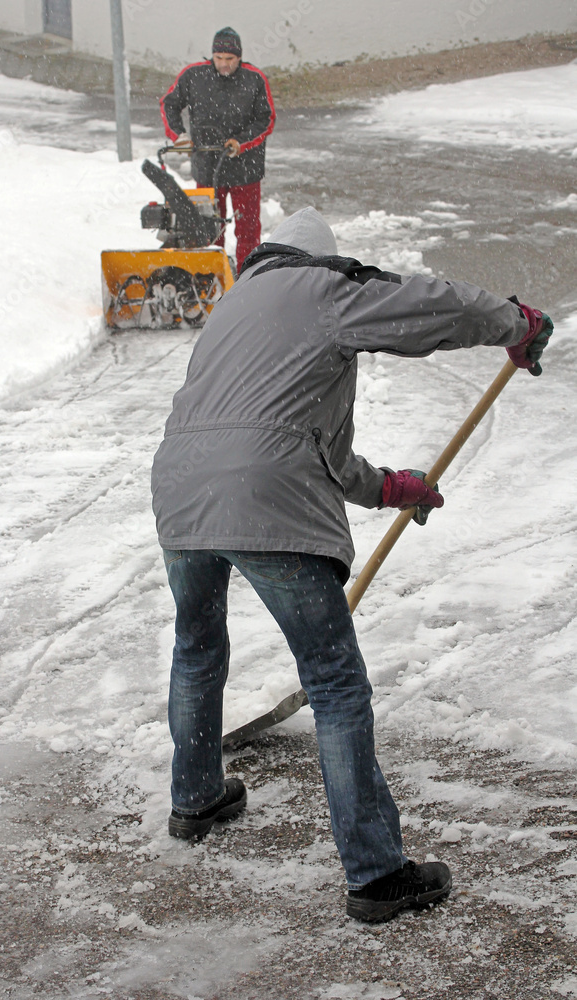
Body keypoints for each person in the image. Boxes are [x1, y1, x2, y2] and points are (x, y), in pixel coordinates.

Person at [150, 207, 553, 923]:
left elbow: (310, 448)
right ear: (322, 261)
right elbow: (429, 304)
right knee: (335, 684)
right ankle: (375, 874)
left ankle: (195, 799)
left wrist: (388, 488)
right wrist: (513, 321)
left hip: (181, 492)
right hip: (265, 497)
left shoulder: (237, 308)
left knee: (197, 643)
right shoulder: (323, 289)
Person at [159, 27, 275, 273]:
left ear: (239, 57)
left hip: (246, 168)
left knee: (248, 229)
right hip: (207, 165)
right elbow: (169, 104)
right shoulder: (193, 76)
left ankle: (247, 276)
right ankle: (213, 275)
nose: (223, 64)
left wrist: (240, 142)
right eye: (219, 58)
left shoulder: (254, 79)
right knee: (209, 227)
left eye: (230, 59)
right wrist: (179, 135)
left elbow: (266, 119)